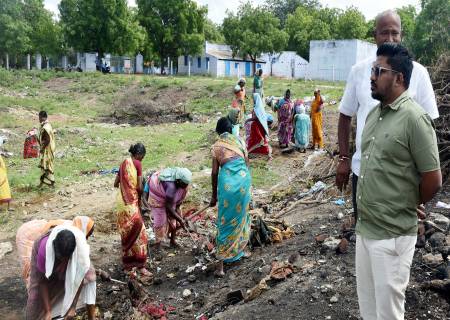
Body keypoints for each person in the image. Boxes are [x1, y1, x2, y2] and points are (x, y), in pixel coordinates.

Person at [355, 43, 442, 320]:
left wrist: (409, 201)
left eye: (378, 71)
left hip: (392, 235)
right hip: (365, 229)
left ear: (399, 78)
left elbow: (433, 179)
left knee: (389, 314)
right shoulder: (374, 115)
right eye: (372, 70)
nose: (372, 76)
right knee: (368, 310)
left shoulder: (415, 119)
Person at [336, 10, 439, 223]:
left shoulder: (418, 73)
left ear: (402, 35)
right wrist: (344, 159)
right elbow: (345, 115)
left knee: (396, 237)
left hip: (401, 176)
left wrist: (420, 189)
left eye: (395, 33)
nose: (390, 39)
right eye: (385, 33)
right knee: (365, 230)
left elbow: (429, 124)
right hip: (363, 171)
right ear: (375, 35)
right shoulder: (359, 71)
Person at [210, 117, 251, 277]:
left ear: (218, 131)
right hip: (243, 180)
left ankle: (220, 266)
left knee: (224, 221)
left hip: (228, 184)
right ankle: (241, 251)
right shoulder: (240, 140)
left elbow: (214, 172)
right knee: (242, 216)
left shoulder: (217, 146)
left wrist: (214, 196)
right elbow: (246, 163)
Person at [26, 226, 96, 320]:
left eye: (65, 258)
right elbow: (42, 281)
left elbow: (79, 278)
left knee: (90, 277)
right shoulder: (44, 250)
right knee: (35, 300)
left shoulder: (80, 252)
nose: (62, 261)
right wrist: (48, 311)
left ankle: (92, 317)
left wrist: (73, 307)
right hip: (44, 254)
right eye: (60, 258)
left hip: (74, 257)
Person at [16, 216, 95, 289]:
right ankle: (33, 293)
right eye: (88, 235)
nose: (87, 238)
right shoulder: (69, 233)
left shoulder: (75, 228)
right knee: (32, 268)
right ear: (84, 229)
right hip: (28, 234)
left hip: (39, 230)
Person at [114, 143, 150, 277]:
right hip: (131, 204)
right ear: (139, 155)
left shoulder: (123, 163)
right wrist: (143, 199)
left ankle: (128, 267)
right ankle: (140, 266)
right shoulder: (137, 164)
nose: (142, 160)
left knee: (127, 234)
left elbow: (115, 183)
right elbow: (140, 187)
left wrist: (126, 185)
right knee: (141, 235)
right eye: (143, 157)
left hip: (121, 204)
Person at [144, 167, 191, 248]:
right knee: (160, 221)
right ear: (178, 180)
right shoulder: (171, 187)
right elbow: (168, 206)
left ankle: (172, 241)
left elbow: (177, 204)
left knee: (174, 220)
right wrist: (180, 219)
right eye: (184, 184)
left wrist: (178, 214)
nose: (186, 186)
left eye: (187, 184)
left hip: (171, 199)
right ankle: (158, 244)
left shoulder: (182, 185)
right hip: (158, 197)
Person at [245, 94, 272, 158]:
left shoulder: (256, 108)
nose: (253, 100)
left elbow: (256, 118)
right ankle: (261, 150)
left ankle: (254, 151)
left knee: (259, 139)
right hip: (260, 126)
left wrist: (248, 119)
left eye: (253, 99)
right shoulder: (260, 107)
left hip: (256, 126)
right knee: (259, 139)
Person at [38, 111, 56, 187]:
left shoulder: (46, 127)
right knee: (44, 165)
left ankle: (51, 183)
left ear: (42, 117)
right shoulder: (47, 125)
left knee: (47, 165)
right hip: (48, 148)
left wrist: (42, 148)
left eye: (39, 117)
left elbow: (47, 139)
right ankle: (42, 183)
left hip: (47, 149)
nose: (38, 119)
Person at [0, 138, 11, 213]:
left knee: (4, 189)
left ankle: (7, 207)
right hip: (1, 174)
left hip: (2, 173)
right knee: (3, 189)